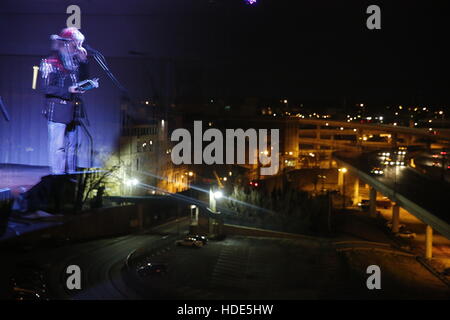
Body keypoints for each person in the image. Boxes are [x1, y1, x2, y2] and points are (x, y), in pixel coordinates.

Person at [40, 27, 98, 174]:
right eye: (76, 44)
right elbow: (46, 88)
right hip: (58, 110)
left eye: (80, 44)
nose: (78, 47)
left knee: (73, 146)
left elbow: (82, 80)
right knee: (58, 147)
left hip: (73, 111)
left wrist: (84, 61)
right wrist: (68, 90)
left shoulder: (74, 62)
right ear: (66, 43)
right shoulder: (50, 61)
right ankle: (58, 179)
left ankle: (70, 178)